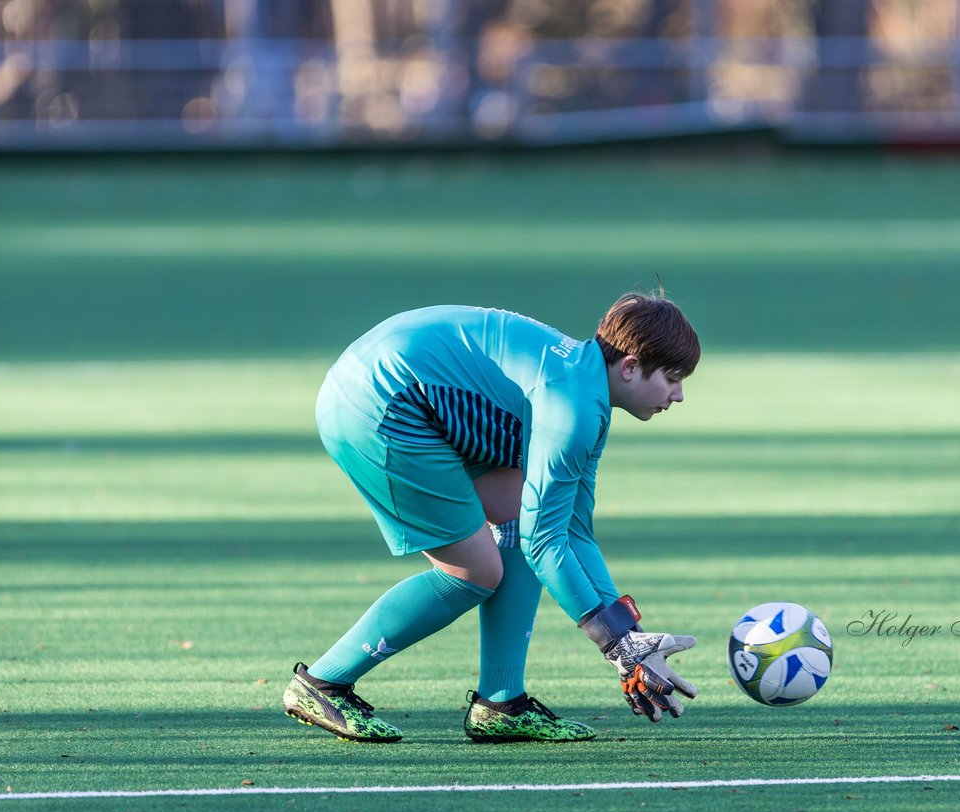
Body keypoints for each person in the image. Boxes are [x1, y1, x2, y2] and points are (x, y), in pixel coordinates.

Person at [283, 292, 701, 743]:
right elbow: (546, 546)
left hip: (407, 390)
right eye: (673, 379)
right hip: (378, 403)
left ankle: (500, 702)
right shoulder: (572, 410)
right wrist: (615, 643)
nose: (678, 396)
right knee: (475, 571)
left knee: (521, 517)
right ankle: (323, 683)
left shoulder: (586, 390)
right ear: (630, 366)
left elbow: (574, 528)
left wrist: (630, 636)